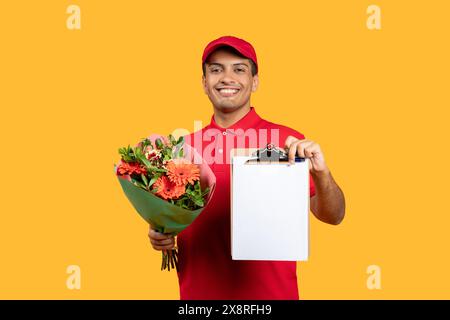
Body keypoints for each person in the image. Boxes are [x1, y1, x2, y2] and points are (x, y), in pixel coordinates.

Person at [148, 36, 346, 300]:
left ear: (255, 81)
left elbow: (334, 216)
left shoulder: (288, 141)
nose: (227, 77)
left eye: (239, 69)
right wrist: (160, 232)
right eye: (216, 69)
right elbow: (170, 218)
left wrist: (322, 175)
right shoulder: (182, 148)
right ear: (204, 83)